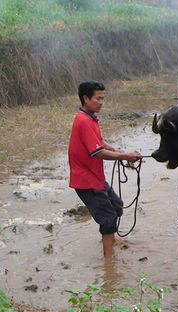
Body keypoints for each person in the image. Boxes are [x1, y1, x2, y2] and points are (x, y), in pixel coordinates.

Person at [68, 80, 142, 258]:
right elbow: (97, 152)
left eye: (103, 98)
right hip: (86, 180)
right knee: (108, 217)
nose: (101, 102)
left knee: (116, 205)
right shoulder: (84, 120)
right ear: (86, 98)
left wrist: (116, 150)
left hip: (96, 177)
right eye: (98, 98)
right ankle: (109, 264)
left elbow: (98, 142)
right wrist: (125, 156)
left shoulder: (90, 118)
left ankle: (111, 240)